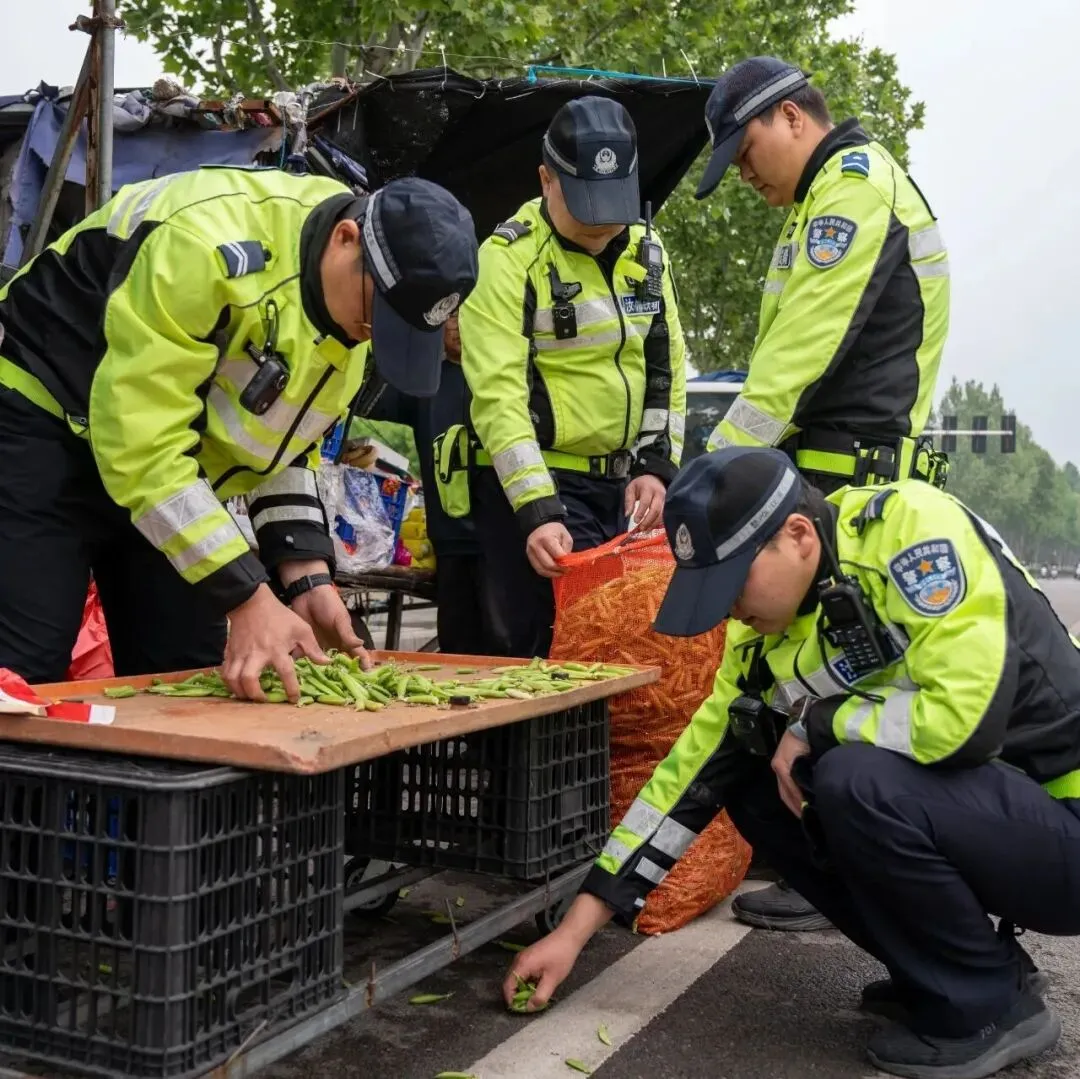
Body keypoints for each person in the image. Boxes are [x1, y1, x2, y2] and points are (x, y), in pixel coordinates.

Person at [505, 446, 1080, 1079]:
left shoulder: (910, 532)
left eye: (731, 584)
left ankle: (989, 1006)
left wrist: (819, 723)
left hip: (1065, 824)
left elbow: (964, 726)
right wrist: (574, 933)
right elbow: (687, 778)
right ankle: (948, 970)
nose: (727, 611)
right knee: (751, 772)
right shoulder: (763, 636)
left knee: (851, 778)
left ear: (798, 535)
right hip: (995, 821)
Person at [0, 168, 478, 699]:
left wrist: (306, 575)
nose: (369, 335)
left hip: (171, 466)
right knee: (24, 668)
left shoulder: (356, 295)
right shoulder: (203, 248)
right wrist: (246, 596)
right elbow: (142, 445)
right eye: (376, 316)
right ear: (346, 240)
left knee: (185, 669)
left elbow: (279, 447)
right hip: (40, 420)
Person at [694, 55, 952, 930]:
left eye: (745, 149)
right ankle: (845, 864)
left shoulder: (850, 186)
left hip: (846, 482)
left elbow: (793, 362)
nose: (742, 172)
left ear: (792, 119)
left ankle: (866, 863)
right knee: (804, 687)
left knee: (839, 687)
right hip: (833, 472)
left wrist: (712, 477)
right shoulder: (819, 199)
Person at [457, 95, 687, 658]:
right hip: (537, 488)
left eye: (613, 203)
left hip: (621, 492)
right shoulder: (508, 260)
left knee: (617, 653)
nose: (602, 224)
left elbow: (667, 365)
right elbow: (499, 400)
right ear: (546, 178)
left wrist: (656, 466)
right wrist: (538, 509)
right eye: (586, 205)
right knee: (548, 656)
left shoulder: (648, 253)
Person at [363, 313, 489, 654]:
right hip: (450, 544)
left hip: (505, 542)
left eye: (465, 313)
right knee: (460, 652)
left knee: (512, 650)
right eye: (447, 316)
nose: (455, 325)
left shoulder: (504, 379)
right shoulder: (425, 382)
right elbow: (366, 396)